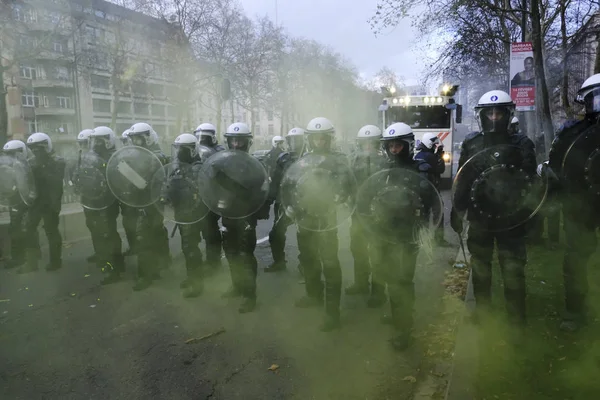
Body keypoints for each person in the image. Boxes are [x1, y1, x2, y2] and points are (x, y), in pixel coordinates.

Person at [451, 90, 536, 327]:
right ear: (482, 115)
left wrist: (532, 216)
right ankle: (483, 311)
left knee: (513, 268)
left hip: (512, 218)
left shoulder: (522, 144)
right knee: (480, 266)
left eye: (499, 112)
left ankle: (516, 317)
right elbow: (463, 179)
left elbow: (530, 182)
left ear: (508, 115)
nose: (495, 117)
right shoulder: (472, 142)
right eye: (490, 112)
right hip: (480, 217)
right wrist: (456, 211)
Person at [369, 122, 434, 350]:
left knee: (402, 281)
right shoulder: (382, 171)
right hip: (384, 233)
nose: (394, 150)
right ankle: (398, 314)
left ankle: (404, 329)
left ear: (407, 145)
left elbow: (431, 201)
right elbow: (369, 198)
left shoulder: (420, 169)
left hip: (409, 235)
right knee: (387, 276)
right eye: (391, 146)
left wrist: (426, 227)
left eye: (399, 146)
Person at [547, 73, 600, 331]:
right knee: (576, 261)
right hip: (581, 208)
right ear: (586, 102)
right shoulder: (571, 133)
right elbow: (556, 168)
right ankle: (575, 312)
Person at [293, 117, 354, 331]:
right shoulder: (303, 160)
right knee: (308, 259)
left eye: (323, 139)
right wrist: (292, 205)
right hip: (305, 217)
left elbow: (348, 186)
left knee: (330, 264)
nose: (319, 142)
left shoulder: (339, 161)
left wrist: (338, 196)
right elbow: (292, 184)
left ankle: (332, 313)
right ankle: (313, 294)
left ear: (329, 139)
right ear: (310, 140)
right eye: (315, 139)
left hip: (327, 218)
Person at [220, 122, 268, 313]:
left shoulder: (256, 165)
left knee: (245, 256)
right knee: (231, 253)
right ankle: (237, 286)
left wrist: (256, 210)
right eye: (232, 141)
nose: (236, 145)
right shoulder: (222, 162)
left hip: (246, 216)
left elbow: (263, 192)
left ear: (248, 142)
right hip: (228, 215)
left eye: (240, 141)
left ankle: (250, 296)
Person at [345, 124, 387, 304]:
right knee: (358, 249)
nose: (368, 146)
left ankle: (378, 292)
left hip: (378, 215)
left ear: (378, 144)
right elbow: (347, 181)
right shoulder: (353, 161)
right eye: (364, 143)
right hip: (358, 213)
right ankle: (361, 283)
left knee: (378, 253)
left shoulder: (386, 162)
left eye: (372, 142)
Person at [127, 122, 170, 291]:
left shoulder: (156, 156)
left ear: (148, 137)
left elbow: (143, 182)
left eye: (139, 139)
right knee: (156, 234)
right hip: (146, 203)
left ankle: (145, 276)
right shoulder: (139, 155)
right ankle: (159, 266)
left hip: (150, 204)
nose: (136, 142)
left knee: (143, 239)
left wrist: (125, 170)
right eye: (134, 139)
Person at [166, 133, 206, 297]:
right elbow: (169, 184)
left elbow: (199, 190)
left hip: (194, 214)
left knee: (191, 249)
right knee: (187, 247)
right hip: (181, 213)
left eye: (183, 149)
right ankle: (192, 277)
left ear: (193, 150)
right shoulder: (177, 167)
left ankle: (197, 284)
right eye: (178, 149)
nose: (179, 152)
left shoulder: (198, 167)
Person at [19, 133, 65, 273]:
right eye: (33, 149)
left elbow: (56, 183)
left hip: (50, 202)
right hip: (35, 202)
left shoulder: (57, 161)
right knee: (29, 230)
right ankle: (31, 262)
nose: (36, 151)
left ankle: (55, 261)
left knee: (51, 232)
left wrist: (55, 205)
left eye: (39, 148)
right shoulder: (31, 162)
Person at [86, 126, 124, 285]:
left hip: (109, 203)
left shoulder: (116, 158)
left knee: (109, 234)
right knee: (101, 234)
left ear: (108, 141)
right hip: (94, 201)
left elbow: (135, 181)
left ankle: (116, 267)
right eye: (95, 140)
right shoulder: (91, 158)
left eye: (100, 140)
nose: (96, 144)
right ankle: (108, 262)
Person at [265, 127, 306, 273]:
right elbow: (275, 183)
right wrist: (267, 202)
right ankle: (279, 262)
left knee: (305, 236)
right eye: (291, 141)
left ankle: (305, 267)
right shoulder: (283, 159)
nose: (294, 144)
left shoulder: (309, 159)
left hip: (304, 204)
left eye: (298, 141)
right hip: (284, 203)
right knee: (275, 234)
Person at [193, 122, 225, 271]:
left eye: (204, 137)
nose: (201, 140)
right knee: (198, 230)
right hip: (197, 195)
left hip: (213, 195)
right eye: (198, 137)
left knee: (210, 230)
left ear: (212, 137)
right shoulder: (194, 151)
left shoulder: (220, 152)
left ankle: (214, 261)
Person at [1, 140, 37, 269]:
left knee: (18, 230)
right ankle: (30, 256)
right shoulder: (21, 164)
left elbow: (24, 184)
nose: (9, 156)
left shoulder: (20, 164)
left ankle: (19, 258)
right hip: (16, 200)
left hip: (21, 201)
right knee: (21, 229)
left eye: (11, 153)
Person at [414, 132, 448, 245]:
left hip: (421, 191)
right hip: (432, 190)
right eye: (434, 145)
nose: (435, 147)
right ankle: (438, 240)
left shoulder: (418, 155)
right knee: (438, 213)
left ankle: (422, 238)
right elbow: (440, 169)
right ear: (429, 144)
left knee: (424, 215)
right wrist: (440, 156)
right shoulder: (430, 156)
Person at [118, 128, 137, 256]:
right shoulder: (121, 155)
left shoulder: (138, 156)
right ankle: (133, 247)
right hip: (126, 198)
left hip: (137, 198)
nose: (125, 143)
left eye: (127, 140)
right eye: (123, 141)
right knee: (128, 224)